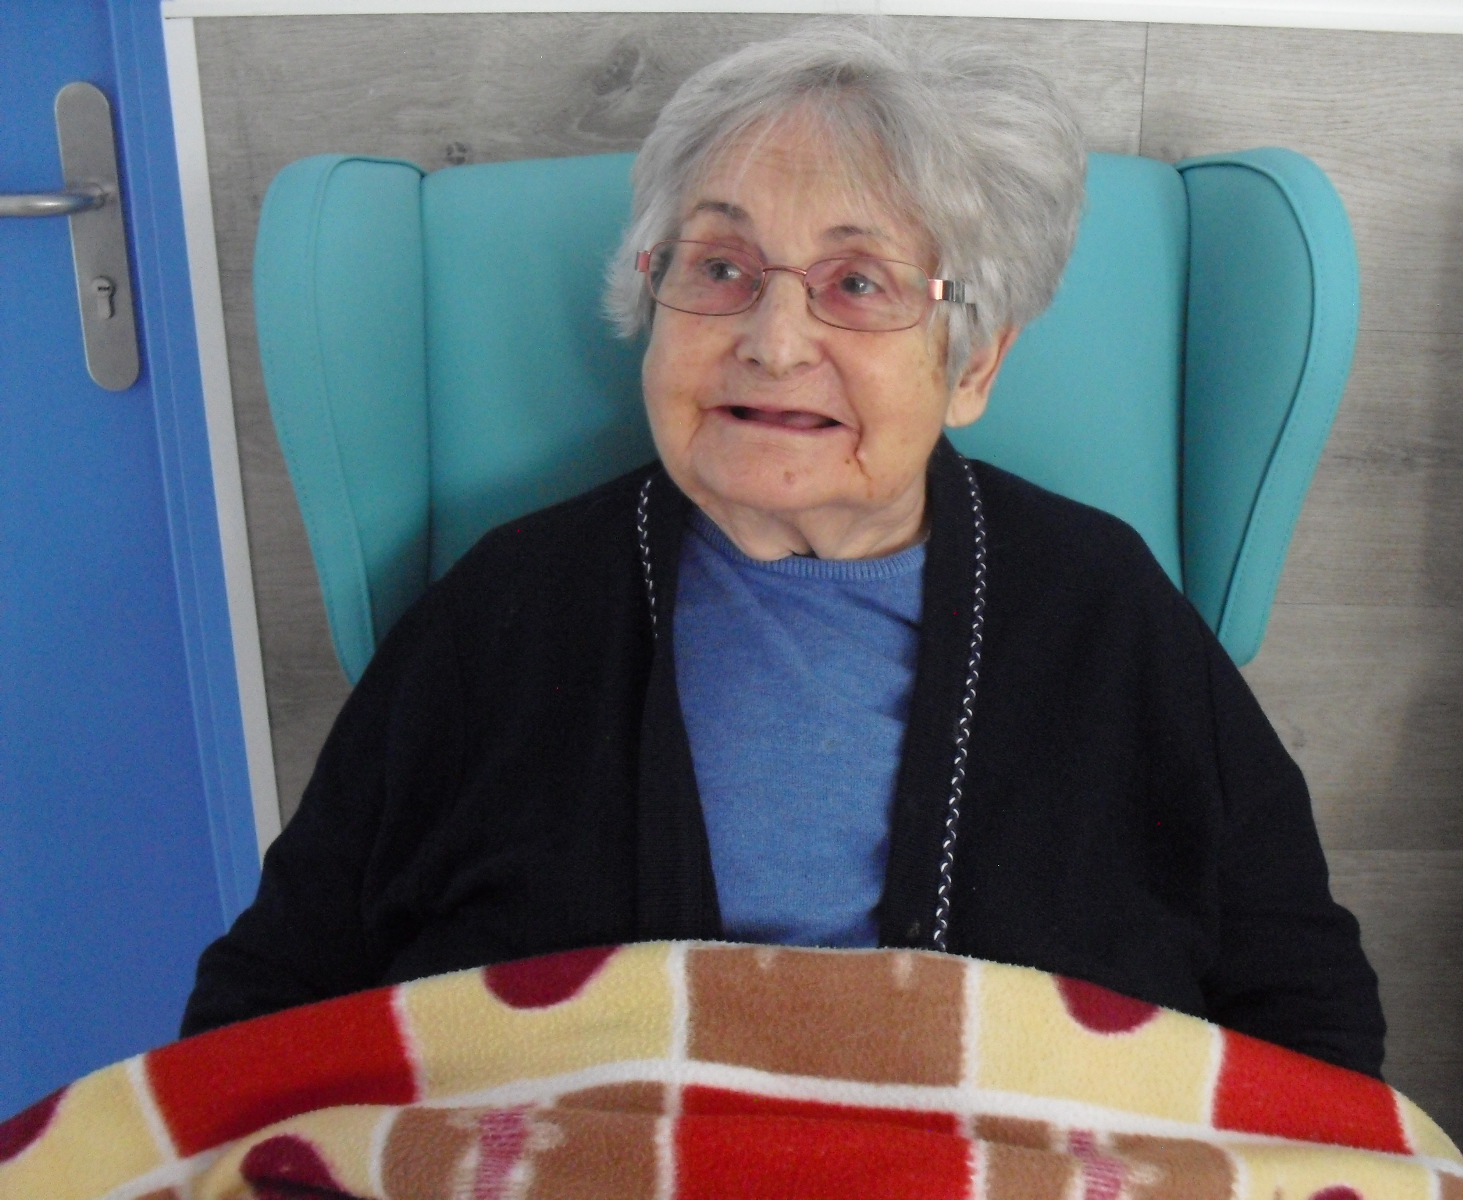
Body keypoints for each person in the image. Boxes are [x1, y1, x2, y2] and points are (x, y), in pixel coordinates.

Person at [183, 21, 1385, 1077]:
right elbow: (268, 1003)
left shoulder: (1104, 609)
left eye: (857, 283)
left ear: (972, 362)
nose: (772, 339)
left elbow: (1303, 1014)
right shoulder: (506, 608)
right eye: (720, 268)